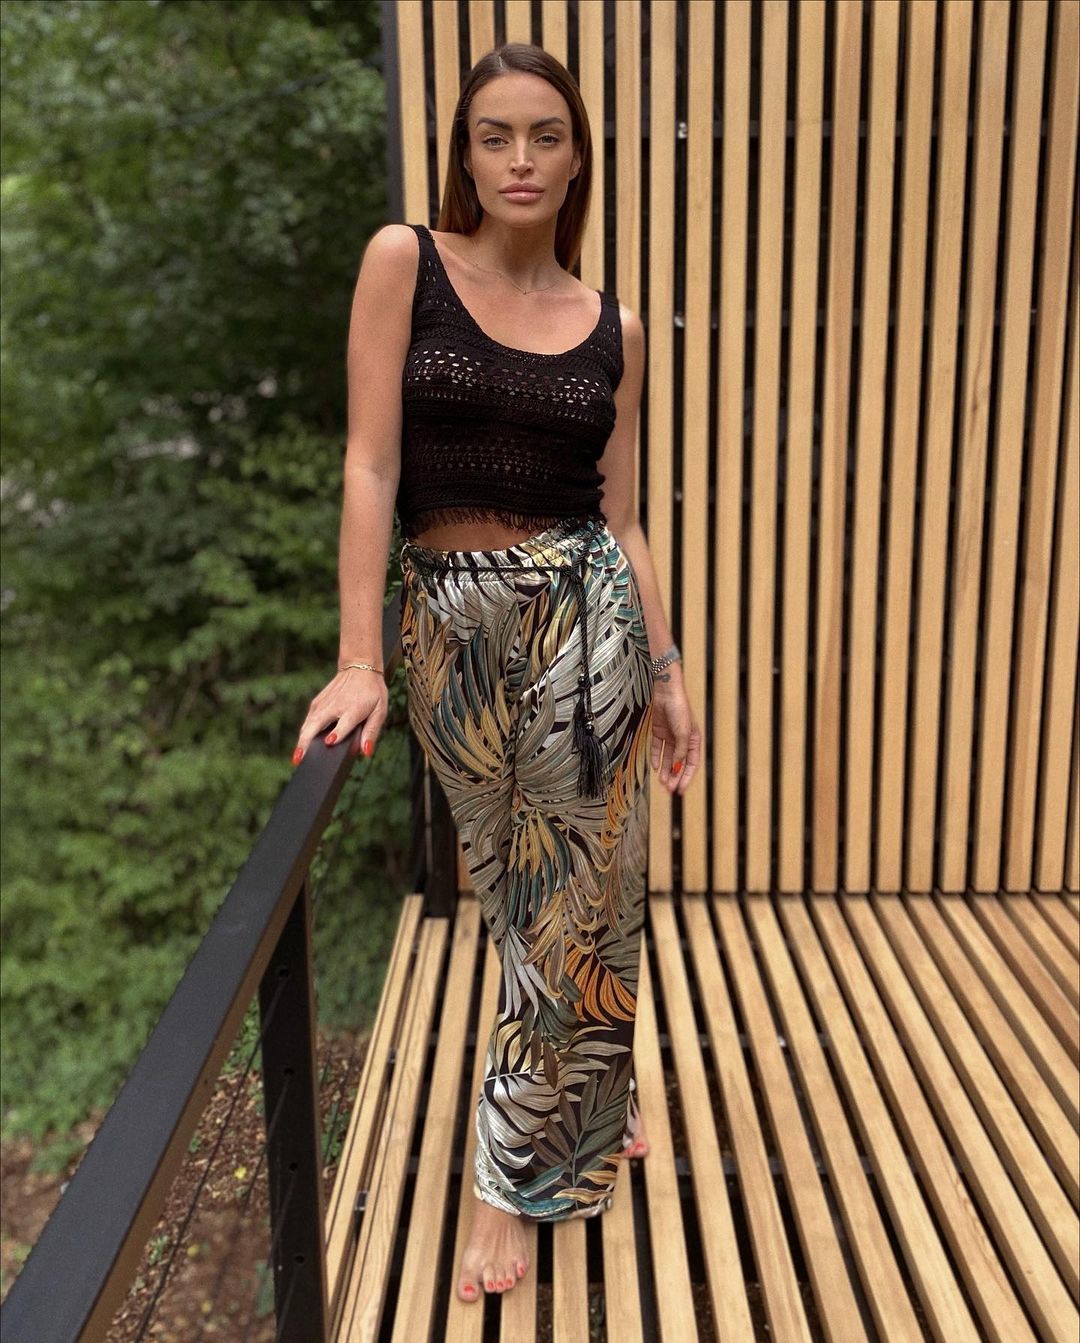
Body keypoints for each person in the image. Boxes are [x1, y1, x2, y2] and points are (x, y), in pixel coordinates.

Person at [292, 42, 701, 1305]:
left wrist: (667, 666)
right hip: (450, 630)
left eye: (546, 136)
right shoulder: (405, 263)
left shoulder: (616, 328)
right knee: (524, 893)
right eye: (494, 135)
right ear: (465, 156)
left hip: (588, 616)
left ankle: (505, 1178)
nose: (520, 158)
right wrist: (359, 656)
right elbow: (370, 464)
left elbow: (623, 517)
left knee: (570, 894)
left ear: (579, 160)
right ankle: (591, 1092)